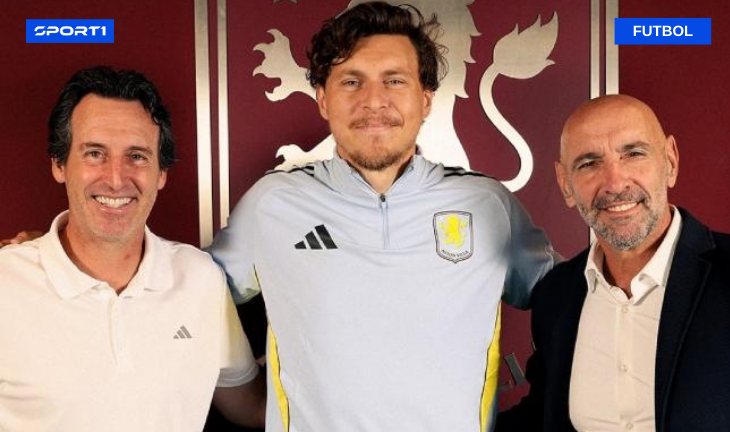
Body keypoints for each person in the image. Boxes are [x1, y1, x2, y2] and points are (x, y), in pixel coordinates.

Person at [210, 2, 558, 432]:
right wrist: (241, 389)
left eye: (394, 80)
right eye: (351, 81)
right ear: (323, 99)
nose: (373, 100)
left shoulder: (488, 205)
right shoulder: (272, 204)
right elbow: (192, 295)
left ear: (425, 100)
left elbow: (572, 300)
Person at [0, 66, 265, 432]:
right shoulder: (7, 282)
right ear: (59, 164)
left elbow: (252, 407)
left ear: (161, 173)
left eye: (137, 156)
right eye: (95, 153)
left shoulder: (200, 278)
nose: (115, 178)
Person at [497, 94, 730, 432]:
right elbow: (540, 417)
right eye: (589, 163)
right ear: (565, 184)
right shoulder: (556, 296)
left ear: (670, 161)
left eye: (633, 154)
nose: (615, 183)